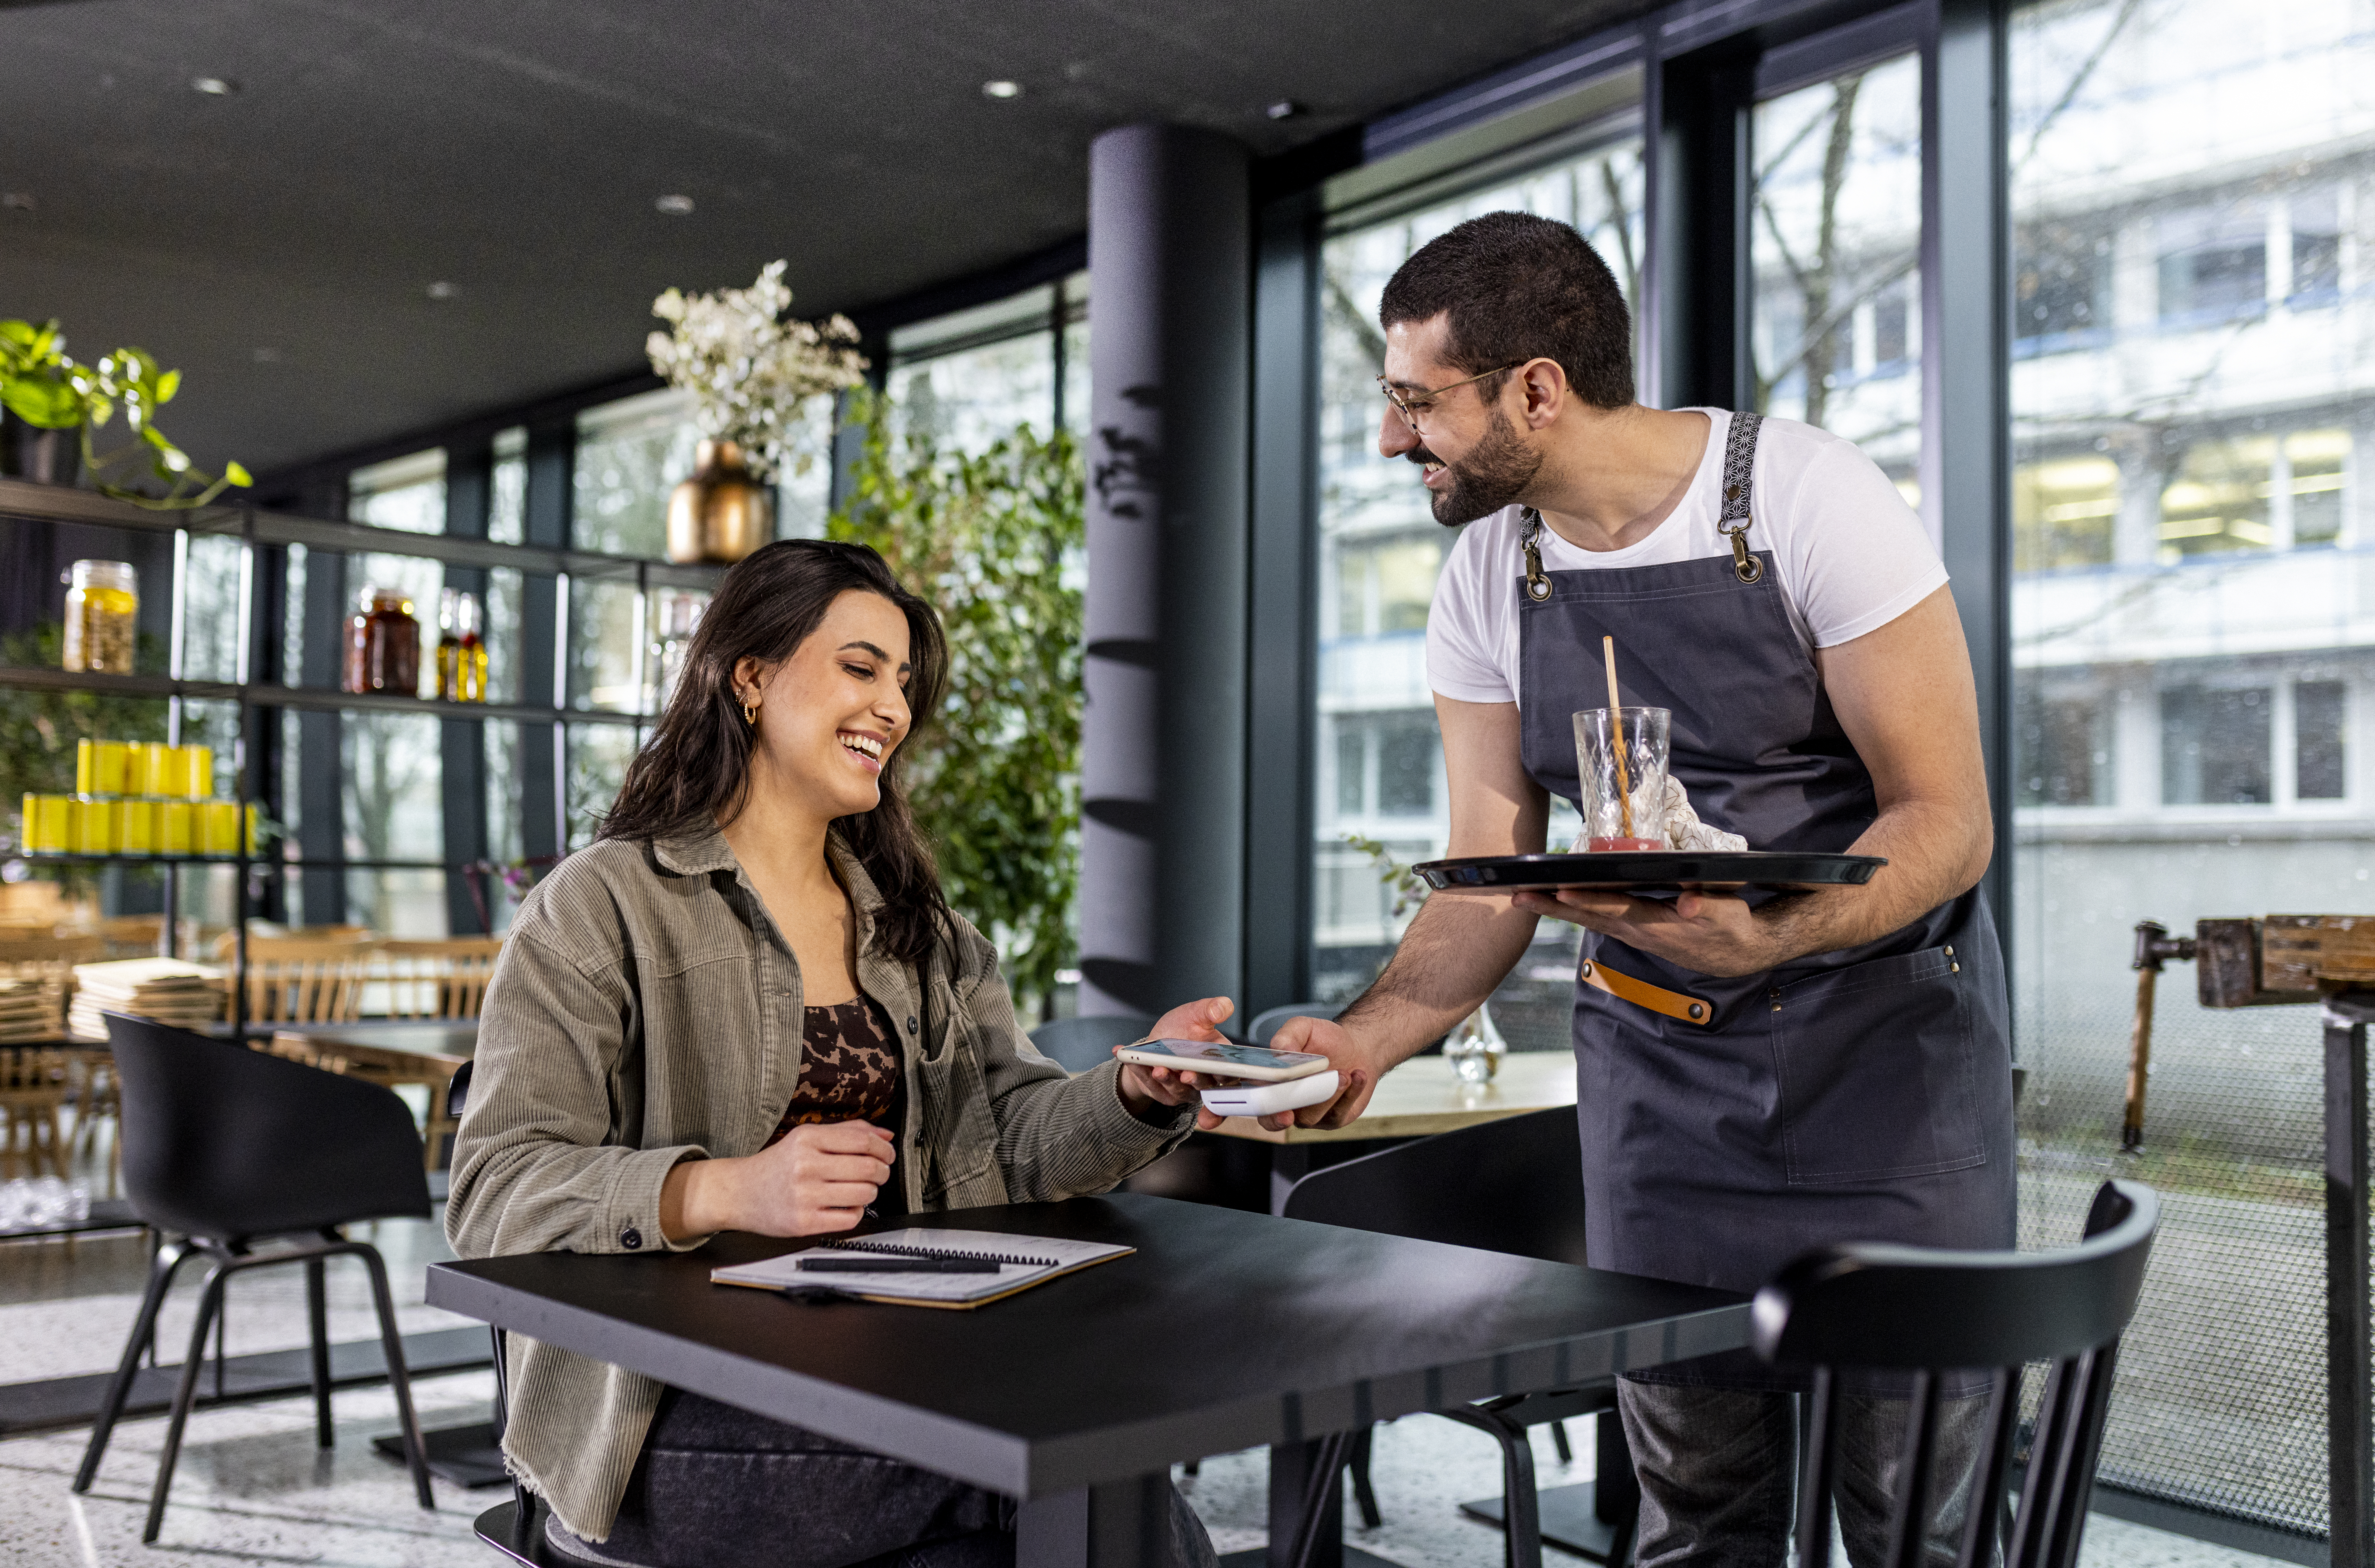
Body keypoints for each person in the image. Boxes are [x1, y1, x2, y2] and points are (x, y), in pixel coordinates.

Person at [1265, 212, 2016, 1568]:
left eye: (1417, 402)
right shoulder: (1490, 571)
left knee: (1925, 1528)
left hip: (1886, 1075)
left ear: (1537, 388)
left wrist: (1776, 931)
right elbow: (1488, 867)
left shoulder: (1807, 500)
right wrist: (1364, 1035)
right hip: (1663, 1104)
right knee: (1697, 1519)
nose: (1393, 440)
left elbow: (1950, 822)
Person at [446, 539, 1224, 1568]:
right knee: (1087, 1481)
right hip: (664, 1426)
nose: (894, 708)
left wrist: (1134, 1090)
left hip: (904, 1376)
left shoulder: (918, 929)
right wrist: (722, 1191)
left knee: (1044, 1521)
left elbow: (1016, 1139)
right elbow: (493, 1187)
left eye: (902, 682)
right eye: (861, 668)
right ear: (753, 677)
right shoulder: (602, 904)